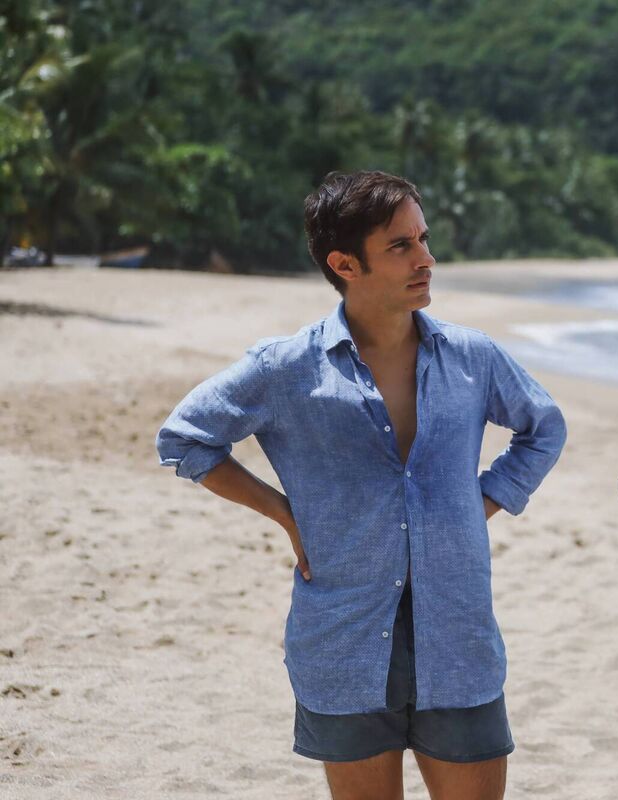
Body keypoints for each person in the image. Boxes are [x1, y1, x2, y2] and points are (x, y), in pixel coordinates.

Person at [156, 170, 566, 800]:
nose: (426, 259)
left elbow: (544, 428)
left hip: (459, 639)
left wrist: (481, 501)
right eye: (401, 246)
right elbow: (183, 438)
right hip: (343, 639)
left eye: (424, 239)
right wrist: (287, 515)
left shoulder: (472, 358)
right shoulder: (285, 368)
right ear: (344, 264)